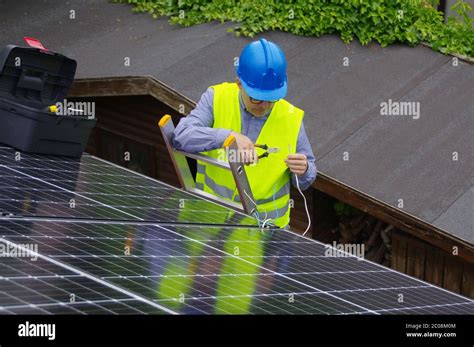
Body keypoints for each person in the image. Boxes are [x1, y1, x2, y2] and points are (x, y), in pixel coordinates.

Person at [173, 38, 317, 228]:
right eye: (257, 99)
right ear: (239, 83)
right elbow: (181, 136)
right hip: (209, 227)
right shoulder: (216, 98)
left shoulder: (291, 118)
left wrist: (304, 169)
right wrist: (226, 137)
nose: (265, 106)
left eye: (272, 99)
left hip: (264, 235)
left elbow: (308, 177)